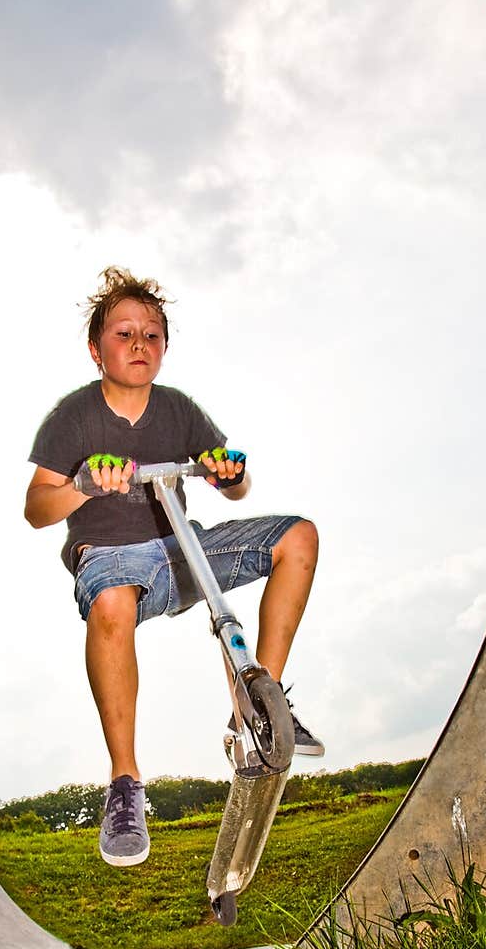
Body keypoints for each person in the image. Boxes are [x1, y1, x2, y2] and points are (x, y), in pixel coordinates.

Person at [25, 266, 322, 868]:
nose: (139, 345)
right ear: (96, 349)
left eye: (152, 335)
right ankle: (126, 784)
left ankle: (258, 705)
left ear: (163, 348)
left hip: (183, 550)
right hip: (111, 559)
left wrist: (229, 474)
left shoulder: (179, 410)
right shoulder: (73, 417)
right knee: (112, 602)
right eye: (124, 334)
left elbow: (232, 487)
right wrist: (84, 484)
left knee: (298, 537)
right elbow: (36, 509)